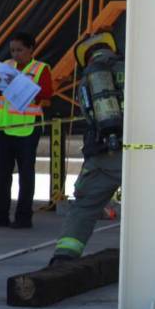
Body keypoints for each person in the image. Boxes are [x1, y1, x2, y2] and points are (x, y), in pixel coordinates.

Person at [50, 32, 124, 263]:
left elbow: (90, 114)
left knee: (84, 206)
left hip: (102, 155)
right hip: (142, 153)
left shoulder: (88, 79)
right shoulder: (133, 69)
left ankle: (65, 255)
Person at [0, 32, 53, 228]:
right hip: (3, 127)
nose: (15, 54)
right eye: (13, 50)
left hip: (27, 128)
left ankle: (23, 217)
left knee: (25, 174)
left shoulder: (41, 69)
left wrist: (26, 87)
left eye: (20, 50)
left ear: (31, 49)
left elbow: (47, 94)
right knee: (0, 173)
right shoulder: (6, 66)